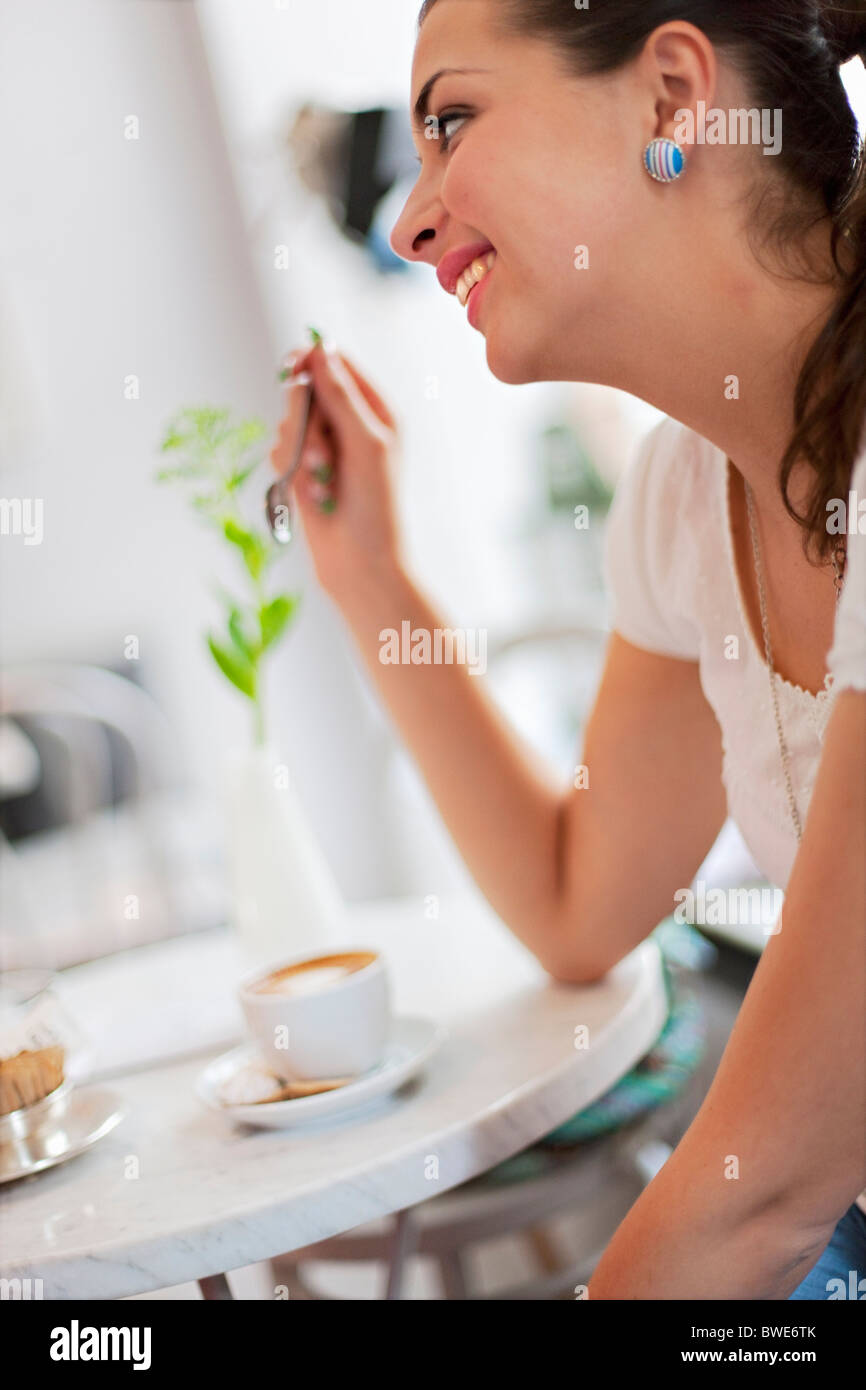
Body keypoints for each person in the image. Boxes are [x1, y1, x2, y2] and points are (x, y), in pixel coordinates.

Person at [270, 0, 866, 1299]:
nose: (408, 222)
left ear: (668, 99)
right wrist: (368, 572)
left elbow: (758, 1198)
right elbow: (575, 897)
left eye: (453, 121)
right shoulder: (680, 502)